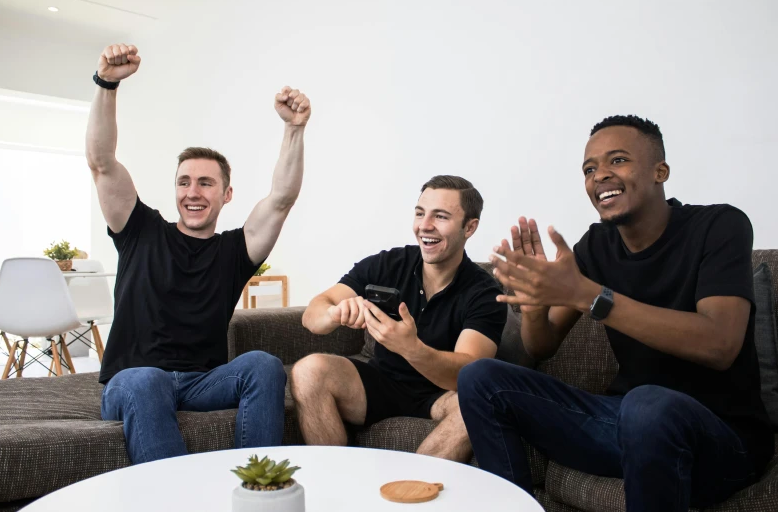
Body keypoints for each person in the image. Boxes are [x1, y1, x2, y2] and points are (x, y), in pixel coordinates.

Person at [458, 115, 774, 511]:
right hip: (624, 426)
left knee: (648, 405)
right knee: (481, 377)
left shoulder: (720, 225)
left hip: (722, 441)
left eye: (618, 161)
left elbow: (720, 343)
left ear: (661, 171)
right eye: (590, 169)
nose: (600, 175)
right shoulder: (597, 244)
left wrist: (592, 297)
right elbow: (542, 346)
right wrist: (536, 309)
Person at [87, 43, 311, 464]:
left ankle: (255, 490)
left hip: (201, 382)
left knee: (263, 365)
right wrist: (107, 84)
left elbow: (281, 199)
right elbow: (101, 163)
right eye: (184, 182)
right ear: (175, 190)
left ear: (226, 194)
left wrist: (294, 128)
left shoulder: (234, 251)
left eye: (206, 183)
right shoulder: (139, 230)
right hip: (131, 381)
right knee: (147, 380)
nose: (193, 192)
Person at [293, 176, 507, 461]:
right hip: (380, 384)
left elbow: (467, 373)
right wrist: (335, 312)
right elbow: (313, 314)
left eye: (440, 216)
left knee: (478, 401)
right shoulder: (389, 264)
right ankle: (337, 486)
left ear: (470, 227)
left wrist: (411, 348)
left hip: (440, 396)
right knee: (309, 370)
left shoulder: (484, 291)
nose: (424, 226)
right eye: (420, 213)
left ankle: (410, 494)